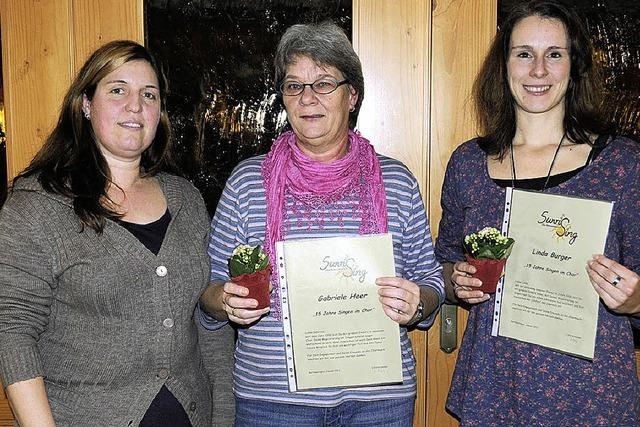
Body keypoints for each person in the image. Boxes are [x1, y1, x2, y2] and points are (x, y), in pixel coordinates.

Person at [198, 21, 444, 426]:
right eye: (294, 86)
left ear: (353, 96)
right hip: (272, 403)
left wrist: (418, 302)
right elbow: (207, 292)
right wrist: (225, 300)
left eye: (324, 83)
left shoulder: (395, 182)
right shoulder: (247, 183)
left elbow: (432, 284)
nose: (308, 98)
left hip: (378, 404)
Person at [0, 40, 233, 426]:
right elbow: (12, 328)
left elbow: (208, 327)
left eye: (149, 94)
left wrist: (223, 415)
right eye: (117, 90)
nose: (135, 105)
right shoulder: (36, 205)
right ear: (87, 105)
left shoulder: (186, 199)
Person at [435, 0, 640, 425]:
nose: (539, 70)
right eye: (524, 53)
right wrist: (457, 281)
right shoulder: (468, 165)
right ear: (504, 65)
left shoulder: (622, 165)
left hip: (593, 396)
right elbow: (445, 264)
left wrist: (635, 301)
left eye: (555, 55)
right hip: (493, 391)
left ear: (574, 66)